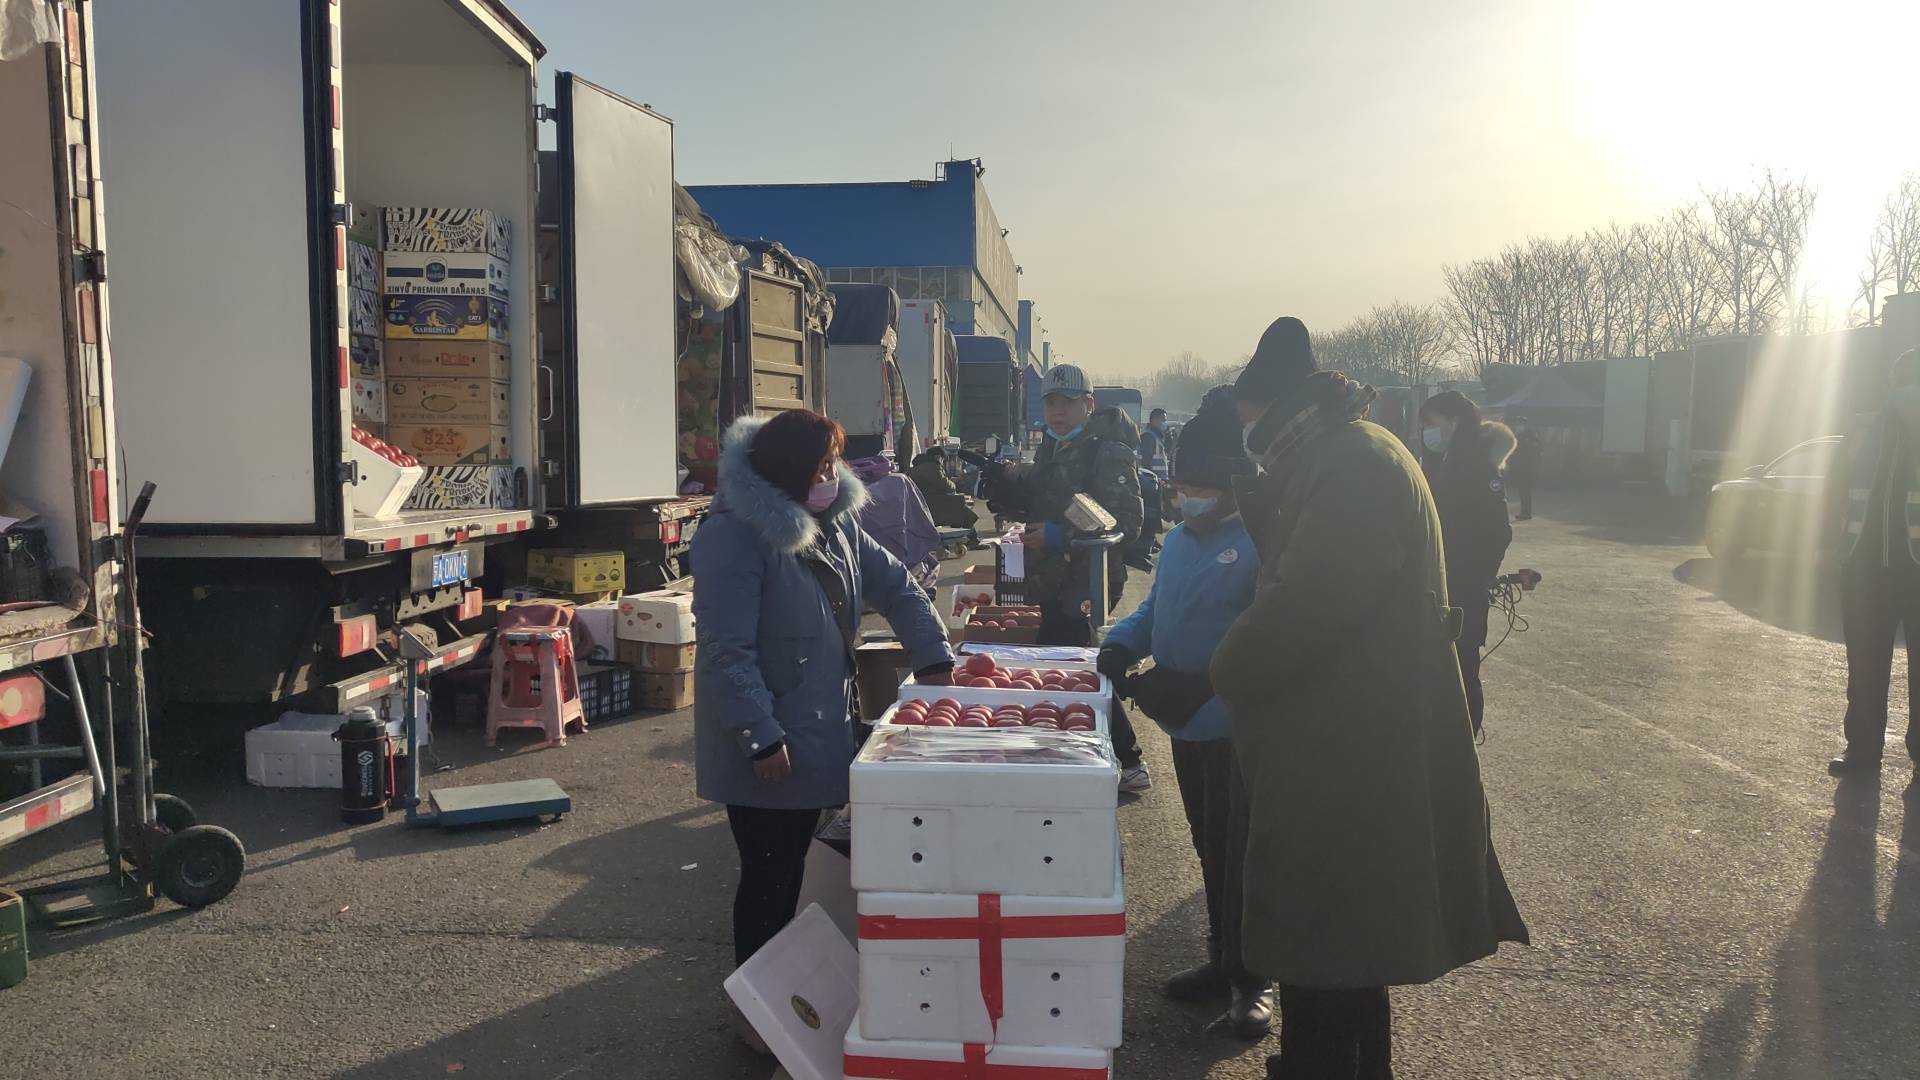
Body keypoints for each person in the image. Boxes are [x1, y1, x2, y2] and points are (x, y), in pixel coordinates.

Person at [1212, 316, 1528, 1080]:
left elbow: (1308, 602)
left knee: (1328, 952)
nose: (1245, 429)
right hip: (1344, 739)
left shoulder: (1351, 464)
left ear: (1280, 406)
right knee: (1346, 960)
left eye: (1250, 412)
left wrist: (1222, 669)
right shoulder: (1338, 453)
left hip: (1351, 753)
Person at [690, 409, 954, 1048]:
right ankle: (758, 1019)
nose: (831, 477)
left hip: (816, 728)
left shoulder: (835, 526)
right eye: (820, 467)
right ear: (786, 473)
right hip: (769, 743)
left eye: (833, 465)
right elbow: (727, 652)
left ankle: (785, 1003)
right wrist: (762, 736)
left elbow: (897, 584)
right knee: (768, 878)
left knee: (793, 876)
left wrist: (936, 657)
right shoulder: (735, 538)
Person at [1098, 386, 1272, 1037]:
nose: (1186, 496)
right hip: (1187, 728)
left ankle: (1254, 980)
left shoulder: (1258, 545)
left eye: (1199, 485)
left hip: (1233, 727)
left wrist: (1208, 685)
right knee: (1208, 847)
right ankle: (1220, 962)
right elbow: (1155, 609)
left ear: (1232, 486)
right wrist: (1122, 642)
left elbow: (1268, 636)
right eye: (1180, 486)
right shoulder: (1178, 543)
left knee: (1242, 856)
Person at [981, 363, 1151, 791]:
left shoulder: (1108, 451)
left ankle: (1127, 761)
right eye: (1051, 403)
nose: (1057, 412)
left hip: (1088, 577)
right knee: (1062, 659)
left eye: (1068, 403)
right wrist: (1009, 487)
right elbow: (1044, 500)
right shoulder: (1052, 448)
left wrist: (1062, 534)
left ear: (1088, 406)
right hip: (1050, 575)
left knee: (1074, 662)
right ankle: (1071, 749)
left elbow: (1126, 523)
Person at [1828, 347, 1920, 777]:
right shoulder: (1866, 426)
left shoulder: (1864, 426)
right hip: (1881, 568)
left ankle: (1863, 754)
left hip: (1865, 568)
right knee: (1868, 666)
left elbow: (1834, 491)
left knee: (1865, 668)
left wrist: (1832, 548)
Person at [1419, 391, 1516, 736]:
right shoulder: (1441, 464)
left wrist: (1473, 578)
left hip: (1462, 588)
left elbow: (1498, 533)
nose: (1425, 431)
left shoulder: (1476, 468)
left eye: (1430, 423)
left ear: (1454, 421)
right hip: (1438, 587)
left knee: (1462, 668)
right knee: (1439, 671)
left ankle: (1464, 746)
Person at [906, 446, 977, 528]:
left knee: (961, 507)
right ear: (938, 457)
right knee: (962, 508)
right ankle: (969, 536)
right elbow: (947, 486)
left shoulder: (919, 466)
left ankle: (966, 535)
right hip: (932, 504)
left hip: (923, 502)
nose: (943, 462)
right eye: (943, 459)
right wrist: (954, 483)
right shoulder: (932, 467)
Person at [1508, 416, 1541, 521]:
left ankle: (1527, 513)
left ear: (1525, 424)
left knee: (1525, 491)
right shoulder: (1517, 435)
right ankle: (1524, 512)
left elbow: (1534, 450)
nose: (1519, 425)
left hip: (1527, 468)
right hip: (1519, 467)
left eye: (1520, 423)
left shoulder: (1531, 435)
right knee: (1522, 491)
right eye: (1518, 423)